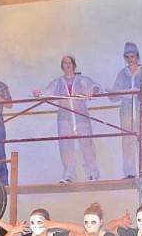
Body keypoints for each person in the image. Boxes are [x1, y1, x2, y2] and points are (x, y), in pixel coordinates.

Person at [33, 55, 102, 183]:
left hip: (81, 116)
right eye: (65, 63)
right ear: (62, 66)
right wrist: (39, 94)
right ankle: (69, 174)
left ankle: (93, 173)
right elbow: (47, 92)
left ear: (74, 65)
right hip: (64, 118)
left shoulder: (82, 79)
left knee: (87, 144)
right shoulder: (58, 82)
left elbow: (95, 87)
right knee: (65, 146)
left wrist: (93, 90)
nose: (67, 64)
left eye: (69, 62)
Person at [109, 42, 142, 179]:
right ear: (125, 58)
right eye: (128, 57)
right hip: (126, 112)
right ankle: (130, 172)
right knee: (127, 141)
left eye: (133, 56)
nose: (131, 59)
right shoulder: (122, 74)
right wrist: (111, 94)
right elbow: (115, 94)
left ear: (137, 56)